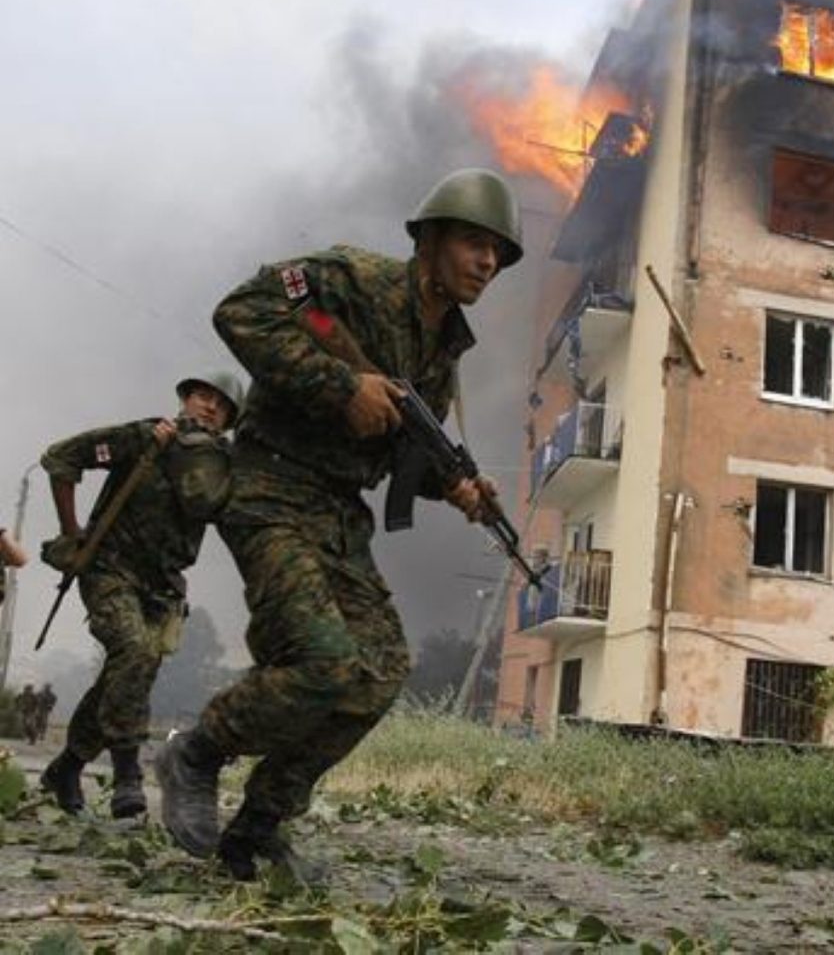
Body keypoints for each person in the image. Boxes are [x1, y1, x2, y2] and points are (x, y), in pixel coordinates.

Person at [156, 168, 522, 881]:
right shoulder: (351, 280)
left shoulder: (444, 354)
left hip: (339, 513)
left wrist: (459, 486)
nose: (487, 263)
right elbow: (241, 312)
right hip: (269, 485)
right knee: (323, 662)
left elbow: (409, 449)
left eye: (498, 254)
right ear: (431, 238)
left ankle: (258, 825)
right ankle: (194, 752)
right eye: (475, 243)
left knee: (381, 673)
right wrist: (341, 384)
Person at [38, 371, 243, 819]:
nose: (209, 407)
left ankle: (67, 767)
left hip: (162, 588)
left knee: (130, 672)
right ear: (186, 399)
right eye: (202, 396)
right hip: (110, 568)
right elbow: (60, 459)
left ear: (228, 421)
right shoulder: (146, 439)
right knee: (132, 649)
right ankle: (128, 774)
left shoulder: (221, 465)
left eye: (221, 405)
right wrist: (72, 536)